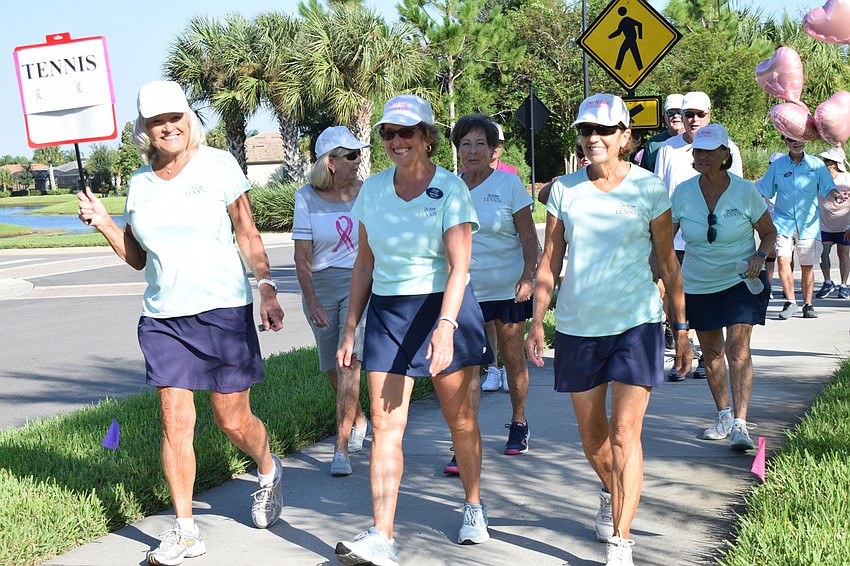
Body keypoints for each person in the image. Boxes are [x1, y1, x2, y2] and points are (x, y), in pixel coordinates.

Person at [77, 80, 284, 566]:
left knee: (232, 418)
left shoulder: (219, 166)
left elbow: (247, 231)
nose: (167, 127)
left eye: (175, 118)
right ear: (144, 129)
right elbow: (136, 257)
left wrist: (267, 287)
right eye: (156, 121)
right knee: (174, 422)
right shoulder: (139, 184)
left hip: (222, 311)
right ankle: (186, 530)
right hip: (163, 317)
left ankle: (268, 469)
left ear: (188, 120)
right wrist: (105, 222)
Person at [525, 93, 692, 566]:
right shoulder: (565, 189)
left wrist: (681, 328)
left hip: (637, 323)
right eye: (585, 130)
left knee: (625, 433)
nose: (592, 138)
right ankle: (610, 487)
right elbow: (550, 261)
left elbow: (666, 261)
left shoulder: (649, 189)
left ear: (625, 136)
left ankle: (621, 540)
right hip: (578, 327)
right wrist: (538, 321)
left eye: (603, 130)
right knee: (592, 437)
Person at [334, 94, 493, 566]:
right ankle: (382, 536)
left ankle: (473, 504)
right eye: (388, 133)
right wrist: (350, 328)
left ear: (426, 136)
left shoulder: (450, 189)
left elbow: (459, 267)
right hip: (388, 312)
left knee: (460, 420)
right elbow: (364, 264)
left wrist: (444, 328)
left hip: (442, 307)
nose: (397, 141)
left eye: (406, 132)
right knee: (385, 428)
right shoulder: (373, 190)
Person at [670, 124, 776, 451]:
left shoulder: (745, 191)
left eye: (708, 151)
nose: (701, 156)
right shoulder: (683, 193)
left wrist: (760, 254)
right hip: (700, 283)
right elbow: (664, 237)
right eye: (697, 151)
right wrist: (656, 266)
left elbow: (769, 232)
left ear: (724, 155)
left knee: (738, 348)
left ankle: (741, 425)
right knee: (712, 352)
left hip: (741, 279)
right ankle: (724, 416)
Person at [453, 113, 538, 457]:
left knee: (512, 356)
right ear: (457, 149)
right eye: (465, 144)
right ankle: (465, 439)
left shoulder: (508, 186)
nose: (473, 151)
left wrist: (527, 276)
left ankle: (519, 423)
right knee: (468, 365)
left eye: (480, 144)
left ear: (492, 150)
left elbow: (529, 237)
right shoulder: (449, 187)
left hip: (507, 288)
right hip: (465, 291)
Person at [293, 126, 371, 477]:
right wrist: (311, 300)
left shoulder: (367, 193)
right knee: (330, 365)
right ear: (331, 162)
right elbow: (302, 258)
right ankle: (358, 419)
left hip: (360, 282)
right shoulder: (306, 198)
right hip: (321, 286)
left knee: (348, 361)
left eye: (359, 154)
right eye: (352, 155)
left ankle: (340, 449)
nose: (358, 160)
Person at [655, 91, 743, 381]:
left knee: (710, 300)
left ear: (709, 115)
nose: (693, 119)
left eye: (699, 114)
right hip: (677, 239)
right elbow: (659, 194)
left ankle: (707, 355)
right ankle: (683, 351)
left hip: (714, 243)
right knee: (674, 298)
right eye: (688, 113)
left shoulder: (728, 147)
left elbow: (737, 193)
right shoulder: (668, 149)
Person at [758, 134, 836, 319]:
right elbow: (765, 191)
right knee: (783, 261)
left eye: (799, 139)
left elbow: (828, 187)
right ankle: (791, 302)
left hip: (808, 225)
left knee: (807, 265)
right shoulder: (777, 165)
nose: (796, 143)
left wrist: (837, 195)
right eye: (791, 140)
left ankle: (808, 305)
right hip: (783, 223)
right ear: (785, 141)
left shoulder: (816, 165)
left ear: (805, 141)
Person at [814, 147, 850, 299]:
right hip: (824, 225)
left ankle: (843, 285)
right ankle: (827, 282)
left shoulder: (847, 178)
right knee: (824, 253)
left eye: (826, 161)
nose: (823, 163)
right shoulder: (819, 179)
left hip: (844, 225)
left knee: (843, 255)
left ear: (834, 164)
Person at [638, 93, 684, 173]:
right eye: (671, 112)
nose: (676, 116)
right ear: (665, 115)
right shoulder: (652, 144)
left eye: (680, 111)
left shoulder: (696, 141)